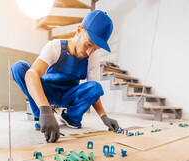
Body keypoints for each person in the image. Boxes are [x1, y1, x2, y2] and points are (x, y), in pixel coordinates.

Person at [11, 10, 119, 143]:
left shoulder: (92, 58)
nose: (89, 52)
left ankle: (71, 118)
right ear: (79, 30)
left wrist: (104, 117)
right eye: (89, 44)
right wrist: (45, 109)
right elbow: (32, 74)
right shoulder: (55, 46)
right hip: (47, 92)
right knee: (19, 68)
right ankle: (41, 116)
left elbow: (94, 91)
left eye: (95, 49)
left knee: (96, 87)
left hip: (68, 96)